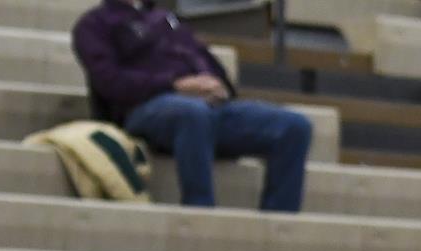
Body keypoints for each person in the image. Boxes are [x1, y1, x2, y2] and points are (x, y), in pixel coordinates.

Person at [71, 0, 313, 212]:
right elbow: (111, 83)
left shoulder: (166, 18)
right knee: (193, 113)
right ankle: (200, 209)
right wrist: (175, 85)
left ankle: (278, 218)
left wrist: (217, 86)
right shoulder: (94, 25)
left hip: (207, 107)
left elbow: (210, 64)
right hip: (146, 109)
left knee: (293, 126)